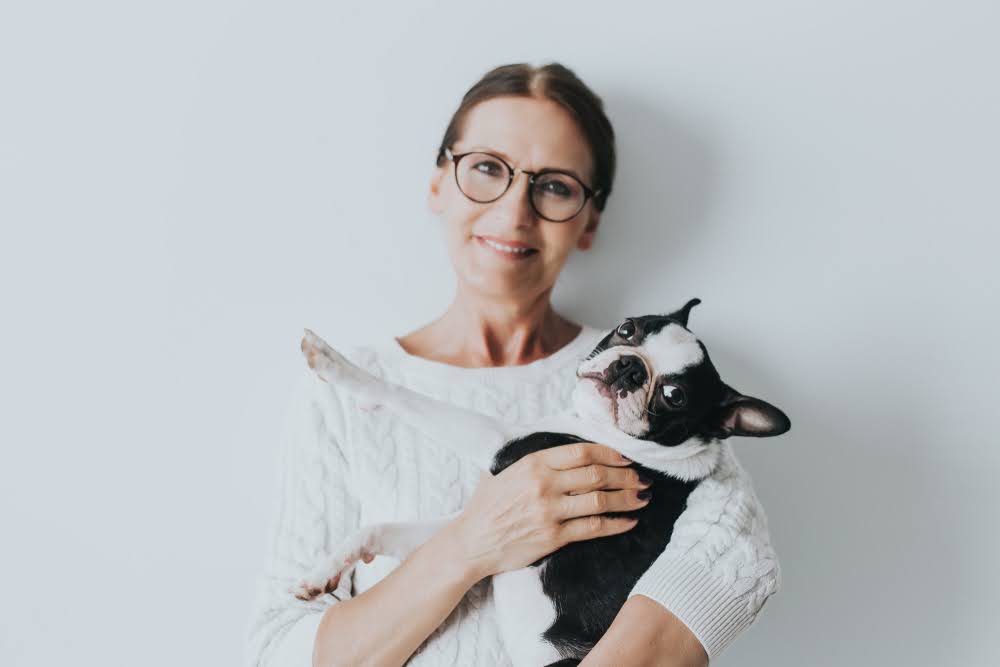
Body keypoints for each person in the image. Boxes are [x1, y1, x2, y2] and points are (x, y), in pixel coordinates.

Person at [246, 62, 780, 667]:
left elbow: (736, 563)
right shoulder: (340, 388)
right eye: (486, 168)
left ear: (590, 219)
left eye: (554, 184)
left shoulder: (656, 400)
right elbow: (277, 652)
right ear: (437, 182)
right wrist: (473, 543)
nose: (514, 209)